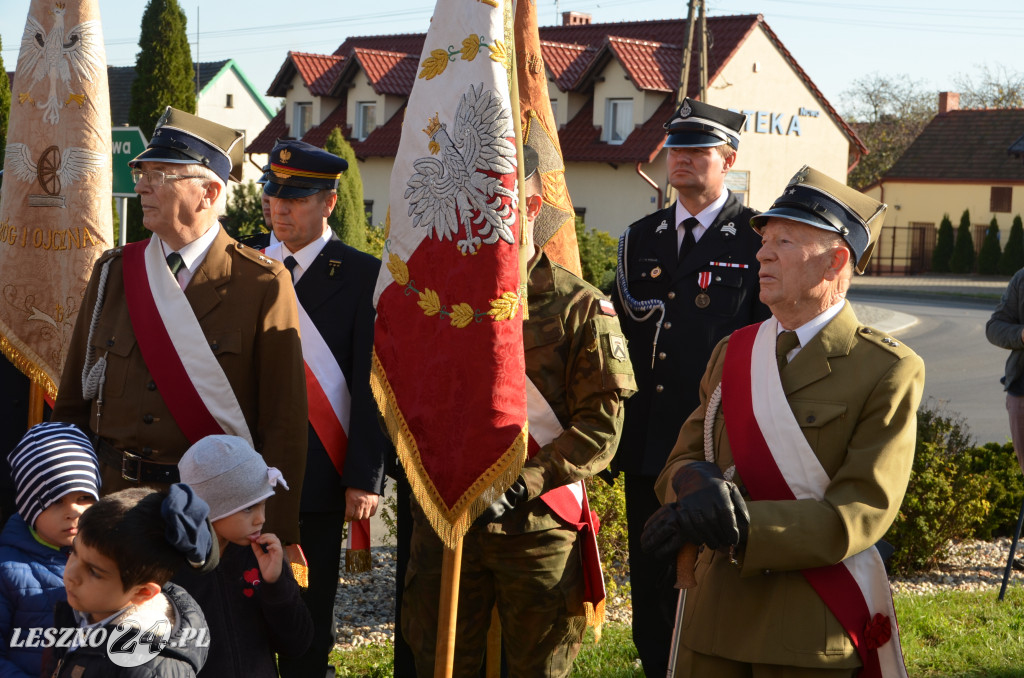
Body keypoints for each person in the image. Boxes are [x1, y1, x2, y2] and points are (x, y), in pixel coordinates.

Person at [642, 166, 925, 677]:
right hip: (712, 621)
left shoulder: (887, 369)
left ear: (836, 261)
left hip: (804, 628)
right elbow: (682, 455)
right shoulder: (735, 350)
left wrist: (734, 525)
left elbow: (861, 511)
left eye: (785, 241)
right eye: (764, 240)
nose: (762, 254)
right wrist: (691, 483)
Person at [401, 145, 636, 677]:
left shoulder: (579, 307)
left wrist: (522, 483)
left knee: (536, 667)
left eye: (494, 200)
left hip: (536, 526)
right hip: (449, 517)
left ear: (531, 210)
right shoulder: (436, 299)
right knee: (440, 661)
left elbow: (599, 427)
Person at [51, 106, 308, 544]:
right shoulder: (115, 272)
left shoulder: (262, 284)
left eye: (161, 174)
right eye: (142, 172)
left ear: (208, 193)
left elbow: (283, 426)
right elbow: (74, 404)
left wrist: (274, 531)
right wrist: (64, 501)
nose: (142, 186)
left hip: (210, 518)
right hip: (114, 505)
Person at [612, 96, 769, 675]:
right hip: (651, 445)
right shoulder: (639, 237)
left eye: (698, 149)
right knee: (651, 581)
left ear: (727, 158)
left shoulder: (755, 240)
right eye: (676, 148)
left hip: (718, 446)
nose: (682, 159)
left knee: (716, 579)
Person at [243, 140, 389, 678]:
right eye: (273, 194)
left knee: (308, 618)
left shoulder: (362, 275)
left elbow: (372, 382)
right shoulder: (246, 264)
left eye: (296, 197)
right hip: (248, 472)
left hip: (322, 476)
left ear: (329, 202)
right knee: (245, 609)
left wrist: (364, 476)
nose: (279, 207)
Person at [175, 435, 313, 677]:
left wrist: (277, 584)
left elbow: (297, 644)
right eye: (248, 508)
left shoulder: (264, 557)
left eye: (263, 504)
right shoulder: (172, 567)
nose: (261, 518)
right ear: (210, 508)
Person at [43, 485, 216, 677]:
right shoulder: (87, 610)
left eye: (94, 572)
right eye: (74, 552)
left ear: (143, 592)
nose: (71, 575)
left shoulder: (150, 670)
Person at [0, 423, 100, 677]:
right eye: (56, 501)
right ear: (28, 507)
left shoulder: (112, 556)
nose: (74, 511)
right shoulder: (7, 568)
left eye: (83, 498)